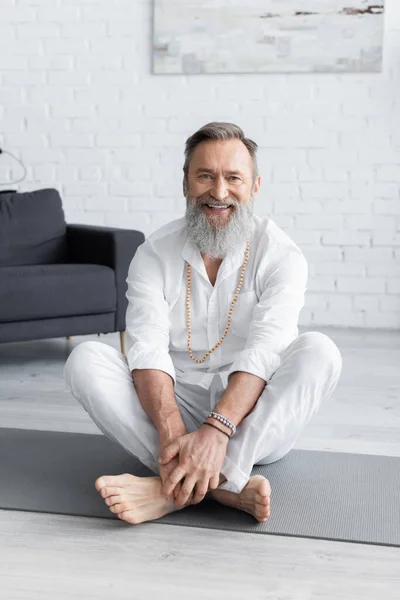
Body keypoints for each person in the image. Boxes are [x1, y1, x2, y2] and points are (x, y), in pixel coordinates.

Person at [64, 122, 342, 526]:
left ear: (255, 186)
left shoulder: (282, 255)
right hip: (173, 411)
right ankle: (225, 487)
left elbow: (266, 352)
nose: (219, 192)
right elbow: (147, 349)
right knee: (84, 359)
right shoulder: (154, 254)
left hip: (254, 419)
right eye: (205, 176)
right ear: (185, 183)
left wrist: (217, 430)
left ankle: (171, 490)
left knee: (321, 352)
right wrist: (177, 433)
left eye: (233, 178)